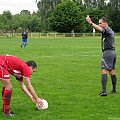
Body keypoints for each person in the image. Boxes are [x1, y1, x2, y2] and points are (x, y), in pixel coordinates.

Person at [86, 15, 117, 96]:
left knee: (104, 70)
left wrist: (91, 23)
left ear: (105, 23)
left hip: (108, 53)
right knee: (112, 71)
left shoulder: (107, 30)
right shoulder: (110, 30)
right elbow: (100, 29)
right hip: (113, 53)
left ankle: (103, 92)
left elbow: (99, 29)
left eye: (101, 23)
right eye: (98, 23)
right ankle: (114, 90)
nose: (99, 24)